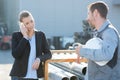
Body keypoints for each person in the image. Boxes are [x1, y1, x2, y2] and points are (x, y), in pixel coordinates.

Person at [75, 1, 120, 80]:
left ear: (95, 13)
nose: (87, 18)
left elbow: (106, 54)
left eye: (88, 14)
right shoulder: (100, 32)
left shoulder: (109, 32)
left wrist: (83, 51)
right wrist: (82, 49)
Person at [9, 10, 52, 80]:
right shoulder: (16, 35)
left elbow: (48, 54)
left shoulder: (40, 35)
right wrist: (25, 37)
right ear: (22, 25)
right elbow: (15, 54)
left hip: (34, 76)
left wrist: (39, 59)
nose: (31, 25)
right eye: (27, 23)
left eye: (32, 21)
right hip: (18, 76)